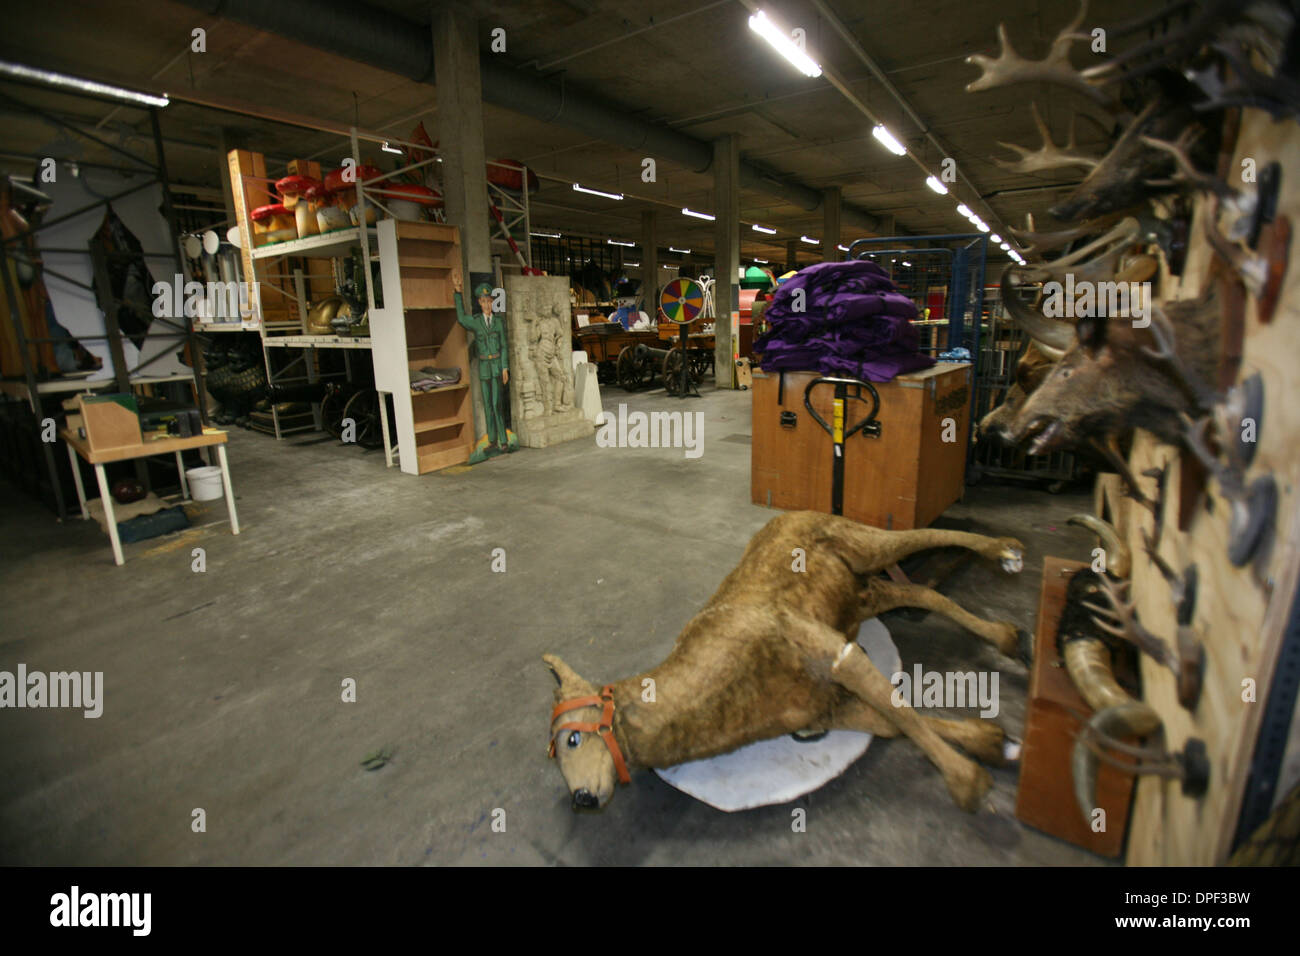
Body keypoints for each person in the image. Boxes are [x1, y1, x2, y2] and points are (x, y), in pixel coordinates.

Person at [451, 270, 512, 454]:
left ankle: (503, 439)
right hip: (484, 367)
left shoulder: (498, 323)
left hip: (496, 366)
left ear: (493, 302)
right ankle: (492, 440)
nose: (487, 305)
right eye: (483, 301)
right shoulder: (476, 322)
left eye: (489, 301)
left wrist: (505, 367)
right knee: (487, 405)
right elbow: (461, 318)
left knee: (496, 404)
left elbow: (503, 346)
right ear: (479, 302)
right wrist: (457, 293)